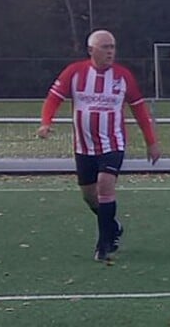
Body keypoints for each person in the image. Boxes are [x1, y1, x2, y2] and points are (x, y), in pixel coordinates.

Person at [37, 30, 162, 262]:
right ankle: (113, 226)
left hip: (112, 144)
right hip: (84, 148)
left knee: (105, 185)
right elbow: (54, 98)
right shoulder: (74, 72)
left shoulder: (123, 76)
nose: (110, 52)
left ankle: (104, 243)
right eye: (105, 47)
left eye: (113, 47)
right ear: (91, 50)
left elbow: (140, 109)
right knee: (90, 197)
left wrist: (151, 142)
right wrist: (46, 123)